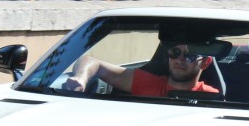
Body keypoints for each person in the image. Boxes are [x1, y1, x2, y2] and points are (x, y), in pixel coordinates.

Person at [65, 42, 220, 96]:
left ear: (205, 62)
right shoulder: (147, 83)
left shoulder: (211, 96)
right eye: (175, 52)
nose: (179, 59)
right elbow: (91, 61)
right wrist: (81, 78)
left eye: (190, 56)